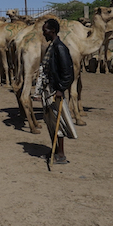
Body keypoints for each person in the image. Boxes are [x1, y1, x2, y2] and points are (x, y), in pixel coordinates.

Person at [35, 18, 76, 166]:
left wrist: (60, 89)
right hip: (48, 90)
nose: (43, 33)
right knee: (51, 122)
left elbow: (68, 72)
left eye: (45, 30)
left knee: (59, 123)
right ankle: (54, 149)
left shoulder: (60, 48)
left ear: (52, 31)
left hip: (55, 91)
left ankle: (61, 154)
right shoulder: (52, 46)